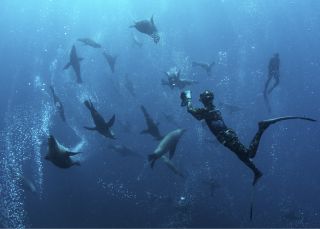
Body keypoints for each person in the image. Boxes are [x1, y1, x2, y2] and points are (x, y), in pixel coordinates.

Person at [180, 90, 316, 185]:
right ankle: (256, 171)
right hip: (227, 136)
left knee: (249, 154)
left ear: (203, 100)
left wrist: (188, 99)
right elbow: (199, 115)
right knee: (241, 156)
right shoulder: (213, 109)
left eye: (201, 99)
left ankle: (262, 127)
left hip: (227, 138)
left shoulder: (206, 111)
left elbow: (191, 111)